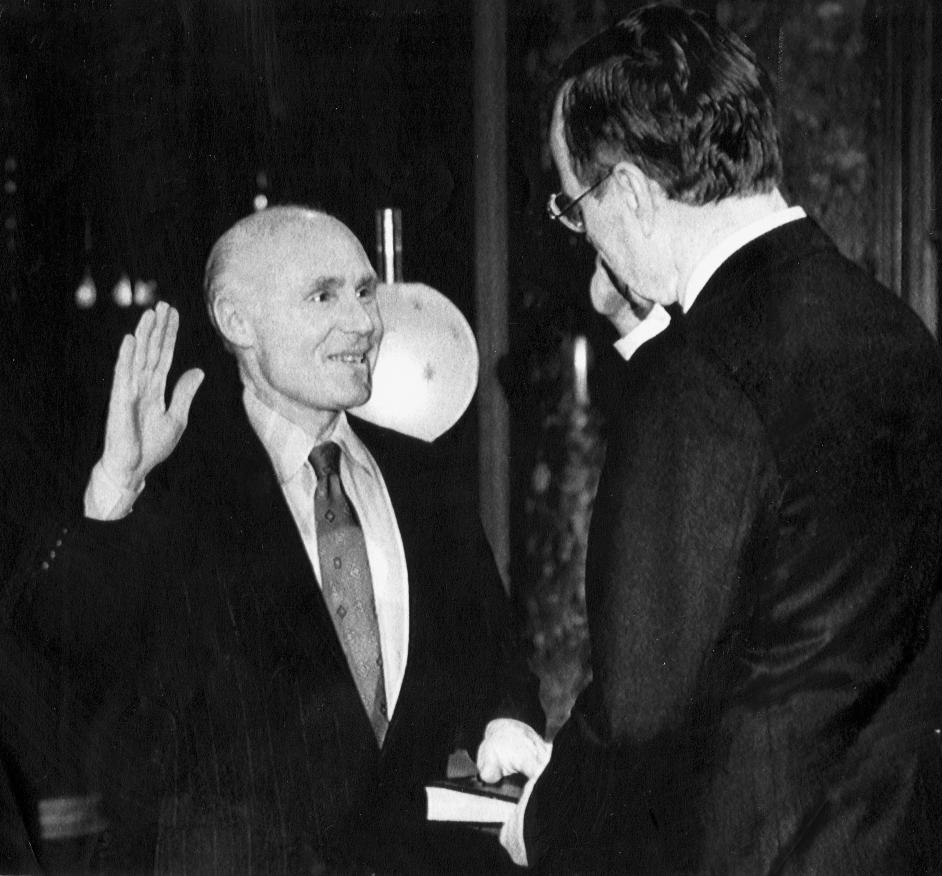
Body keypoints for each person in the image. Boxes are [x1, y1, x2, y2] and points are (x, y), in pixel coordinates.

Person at [493, 5, 942, 873]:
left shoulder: (698, 374)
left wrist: (544, 818)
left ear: (627, 191)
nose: (582, 234)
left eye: (574, 205)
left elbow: (642, 707)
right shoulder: (893, 330)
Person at [2, 205, 547, 873]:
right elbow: (53, 655)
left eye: (365, 291)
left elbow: (499, 671)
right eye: (324, 295)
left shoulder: (427, 478)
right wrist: (113, 492)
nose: (364, 322)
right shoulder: (175, 491)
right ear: (238, 322)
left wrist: (508, 728)